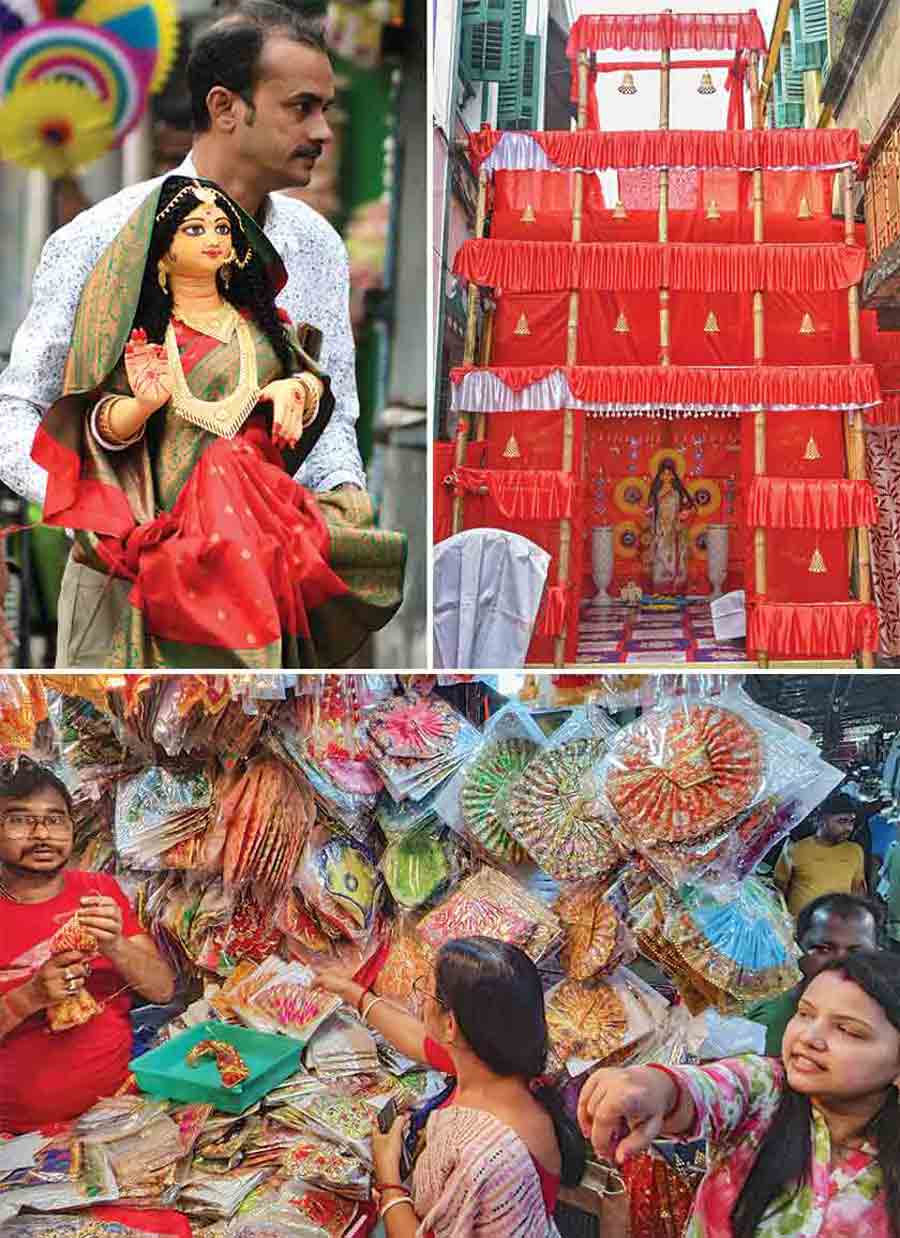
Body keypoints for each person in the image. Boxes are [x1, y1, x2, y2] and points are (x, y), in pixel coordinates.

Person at [0, 1, 390, 666]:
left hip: (269, 592)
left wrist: (342, 509)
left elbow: (334, 418)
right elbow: (15, 414)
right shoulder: (101, 238)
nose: (322, 130)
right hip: (123, 591)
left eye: (326, 108)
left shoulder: (314, 246)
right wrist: (114, 519)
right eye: (302, 107)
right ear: (225, 107)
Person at [31, 174, 405, 667]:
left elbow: (310, 379)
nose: (213, 237)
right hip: (159, 554)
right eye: (194, 229)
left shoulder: (263, 329)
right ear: (162, 255)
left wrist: (296, 389)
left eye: (222, 228)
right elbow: (99, 428)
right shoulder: (140, 337)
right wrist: (144, 404)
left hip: (255, 544)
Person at [578, 950, 900, 1238]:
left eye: (846, 1030)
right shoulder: (766, 1091)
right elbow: (703, 1089)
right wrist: (651, 1087)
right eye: (805, 1014)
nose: (810, 1036)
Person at [316, 936, 587, 1237]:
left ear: (451, 1026)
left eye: (427, 991)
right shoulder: (500, 1064)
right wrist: (352, 992)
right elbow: (414, 1037)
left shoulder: (485, 1153)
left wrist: (388, 1178)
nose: (420, 1001)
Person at [0, 758, 175, 1133]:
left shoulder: (99, 891)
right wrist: (26, 998)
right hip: (17, 1135)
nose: (41, 834)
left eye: (54, 818)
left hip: (118, 1112)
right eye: (18, 819)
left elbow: (162, 989)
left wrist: (114, 945)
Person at [745, 892, 884, 1055]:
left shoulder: (884, 1020)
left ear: (878, 956)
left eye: (856, 952)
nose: (841, 962)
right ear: (795, 949)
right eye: (824, 949)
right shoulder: (766, 1026)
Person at [773, 792, 867, 917]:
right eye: (842, 821)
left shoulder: (855, 851)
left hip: (835, 929)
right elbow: (778, 889)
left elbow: (857, 892)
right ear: (822, 819)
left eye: (851, 822)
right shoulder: (796, 849)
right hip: (796, 929)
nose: (849, 828)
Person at [643, 460, 696, 594]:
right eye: (664, 474)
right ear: (660, 475)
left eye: (669, 474)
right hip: (660, 530)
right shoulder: (656, 491)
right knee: (660, 557)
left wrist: (684, 514)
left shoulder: (678, 491)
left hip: (675, 530)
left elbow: (691, 507)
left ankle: (675, 590)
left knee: (676, 559)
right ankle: (660, 589)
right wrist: (656, 503)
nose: (666, 477)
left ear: (673, 475)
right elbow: (648, 510)